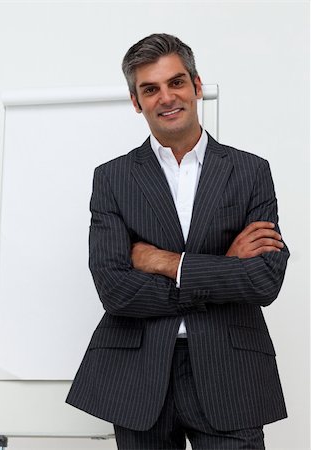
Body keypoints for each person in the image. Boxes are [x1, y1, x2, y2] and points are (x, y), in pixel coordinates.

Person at [66, 33, 289, 449]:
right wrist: (223, 265)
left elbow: (264, 280)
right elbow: (114, 290)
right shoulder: (112, 179)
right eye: (150, 89)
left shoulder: (250, 171)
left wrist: (167, 263)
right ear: (136, 102)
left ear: (197, 85)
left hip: (230, 372)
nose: (166, 97)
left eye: (176, 82)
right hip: (139, 375)